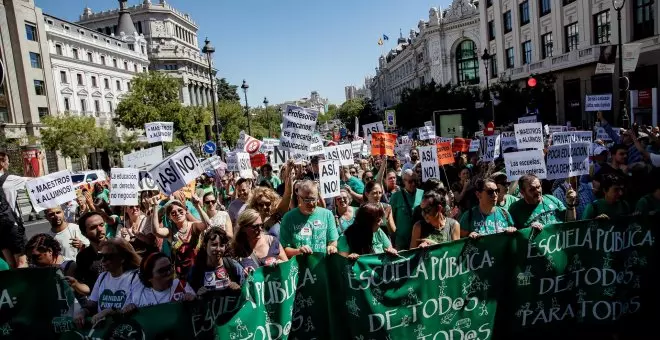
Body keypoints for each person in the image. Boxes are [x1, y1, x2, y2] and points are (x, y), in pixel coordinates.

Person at [74, 238, 141, 328]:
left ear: (122, 258)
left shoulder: (135, 277)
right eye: (101, 256)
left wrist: (110, 312)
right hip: (104, 330)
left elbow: (134, 308)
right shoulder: (102, 277)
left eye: (108, 257)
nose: (103, 261)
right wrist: (82, 312)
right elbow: (93, 303)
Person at [280, 180, 339, 257]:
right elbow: (284, 249)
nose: (310, 203)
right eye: (306, 200)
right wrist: (298, 251)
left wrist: (332, 247)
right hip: (299, 267)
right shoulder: (288, 218)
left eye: (313, 199)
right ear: (298, 198)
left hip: (322, 265)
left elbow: (333, 241)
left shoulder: (327, 215)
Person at [152, 199, 208, 280]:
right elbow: (156, 231)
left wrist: (197, 206)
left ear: (185, 211)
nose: (177, 214)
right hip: (180, 275)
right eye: (173, 213)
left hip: (199, 271)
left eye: (180, 211)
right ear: (169, 217)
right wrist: (155, 207)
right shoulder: (170, 231)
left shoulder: (194, 226)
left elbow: (206, 224)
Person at [122, 252, 196, 310]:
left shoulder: (182, 286)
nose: (168, 272)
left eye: (169, 267)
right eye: (162, 271)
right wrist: (129, 308)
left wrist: (193, 300)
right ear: (149, 277)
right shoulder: (140, 295)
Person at [508, 174, 577, 229]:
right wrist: (528, 231)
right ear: (522, 192)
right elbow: (512, 235)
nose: (537, 191)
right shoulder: (515, 209)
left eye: (538, 187)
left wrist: (571, 204)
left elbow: (570, 222)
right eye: (532, 189)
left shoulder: (552, 199)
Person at [188, 227, 244, 294]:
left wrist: (239, 289)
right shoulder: (195, 271)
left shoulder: (234, 266)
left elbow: (247, 294)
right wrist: (195, 295)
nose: (218, 249)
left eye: (222, 245)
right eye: (214, 245)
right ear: (205, 246)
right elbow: (188, 295)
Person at [0, 151, 29, 268]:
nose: (8, 163)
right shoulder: (9, 179)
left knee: (10, 264)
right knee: (22, 262)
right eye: (7, 161)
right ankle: (25, 285)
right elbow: (36, 180)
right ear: (1, 162)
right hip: (12, 225)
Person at [390, 169, 424, 249]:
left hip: (419, 240)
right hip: (401, 242)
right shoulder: (396, 196)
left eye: (415, 181)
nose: (413, 184)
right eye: (410, 181)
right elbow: (390, 218)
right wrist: (394, 236)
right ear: (404, 181)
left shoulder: (423, 194)